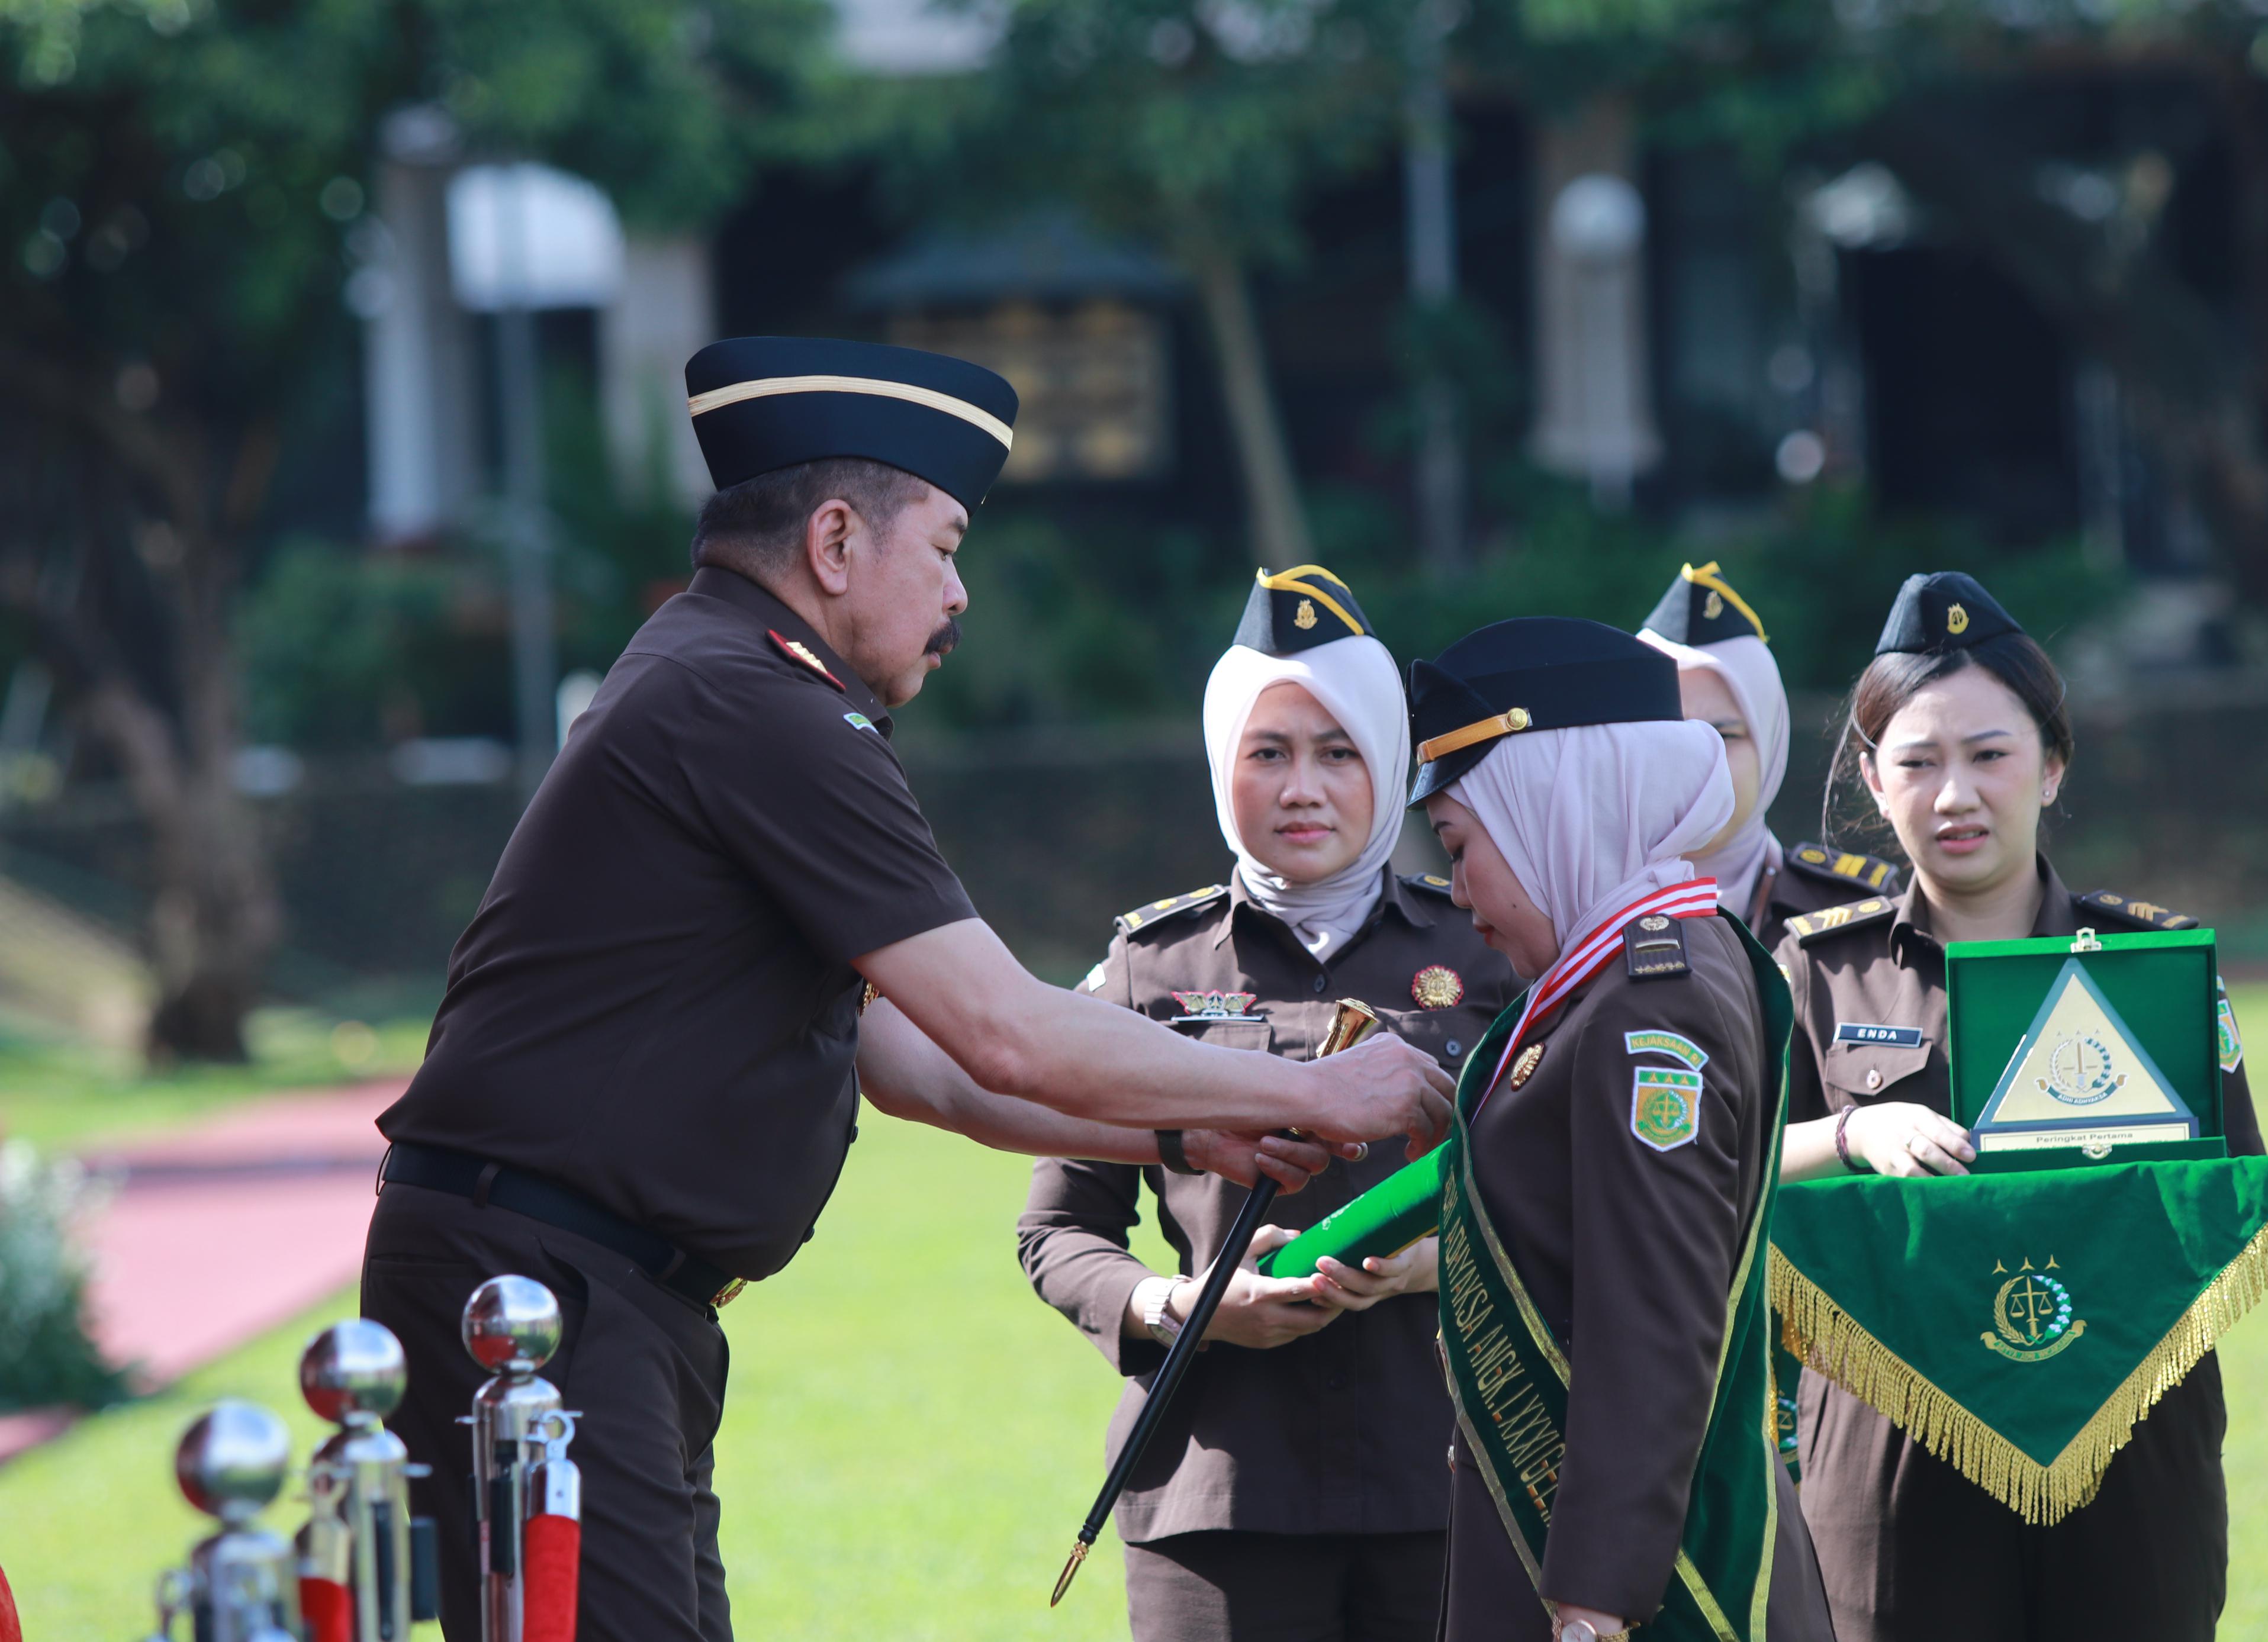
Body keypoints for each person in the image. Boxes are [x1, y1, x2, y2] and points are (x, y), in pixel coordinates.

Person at [360, 337, 1455, 1642]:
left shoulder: (722, 676)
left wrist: (1185, 1131)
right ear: (834, 542)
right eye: (940, 546)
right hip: (552, 1290)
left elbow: (920, 1065)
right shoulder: (761, 705)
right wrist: (1320, 1089)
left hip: (579, 1288)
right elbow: (1002, 1027)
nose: (959, 591)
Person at [1018, 566, 1519, 1642]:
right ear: (1220, 764)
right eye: (1268, 751)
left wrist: (1445, 1258)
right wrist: (1184, 1302)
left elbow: (1561, 1192)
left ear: (1390, 759)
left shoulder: (1485, 950)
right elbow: (1057, 1229)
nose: (1304, 787)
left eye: (1339, 751)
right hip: (1216, 1496)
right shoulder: (1150, 965)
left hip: (1447, 1481)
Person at [1770, 571, 2265, 1642]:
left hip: (2126, 1442)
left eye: (1989, 754)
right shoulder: (1817, 972)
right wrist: (1852, 1132)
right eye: (1918, 760)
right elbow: (1721, 1176)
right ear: (1871, 775)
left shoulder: (2150, 968)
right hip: (1892, 1454)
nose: (1955, 795)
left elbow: (2227, 1200)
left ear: (2052, 764)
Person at [1407, 617, 1834, 1642]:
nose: (1458, 890)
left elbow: (1653, 1314)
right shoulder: (1646, 962)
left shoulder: (1650, 999)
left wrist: (1596, 1597)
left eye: (1463, 846)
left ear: (1553, 806)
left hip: (1639, 1588)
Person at [1638, 560, 1900, 945]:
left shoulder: (1859, 909)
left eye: (1723, 736)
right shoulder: (1568, 917)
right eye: (1666, 736)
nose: (1695, 763)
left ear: (1771, 746)